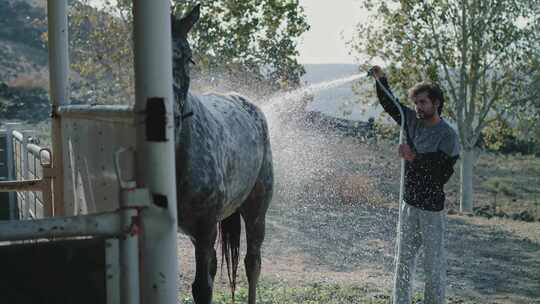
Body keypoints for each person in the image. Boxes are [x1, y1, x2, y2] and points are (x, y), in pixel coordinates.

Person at [369, 66, 460, 304]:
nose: (418, 107)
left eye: (423, 102)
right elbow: (392, 105)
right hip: (408, 205)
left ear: (436, 103)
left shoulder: (448, 135)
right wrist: (381, 80)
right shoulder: (411, 121)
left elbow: (442, 173)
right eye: (416, 103)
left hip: (431, 210)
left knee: (433, 265)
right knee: (403, 262)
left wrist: (414, 158)